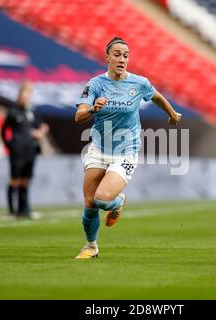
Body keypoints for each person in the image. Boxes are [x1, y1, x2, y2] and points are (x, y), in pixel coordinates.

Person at [74, 37, 182, 259]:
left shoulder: (138, 83)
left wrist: (171, 113)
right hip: (99, 149)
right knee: (89, 202)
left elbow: (157, 96)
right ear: (107, 57)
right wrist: (94, 109)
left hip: (126, 150)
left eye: (125, 55)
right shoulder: (95, 84)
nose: (122, 59)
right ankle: (91, 246)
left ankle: (118, 202)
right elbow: (79, 116)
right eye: (117, 54)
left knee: (102, 199)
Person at [1, 81, 49, 218]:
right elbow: (3, 131)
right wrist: (9, 145)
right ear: (19, 95)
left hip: (30, 150)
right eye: (24, 94)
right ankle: (12, 210)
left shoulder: (31, 111)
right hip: (17, 151)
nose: (26, 97)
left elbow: (42, 126)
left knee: (26, 180)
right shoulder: (13, 111)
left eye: (29, 94)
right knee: (15, 180)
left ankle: (24, 209)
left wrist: (40, 132)